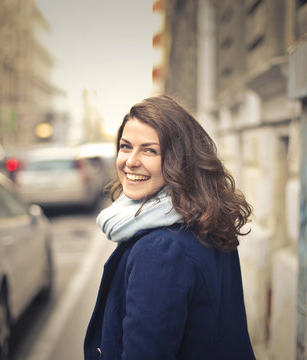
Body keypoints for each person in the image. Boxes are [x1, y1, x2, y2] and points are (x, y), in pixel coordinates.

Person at [84, 95, 256, 360]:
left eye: (149, 150)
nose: (130, 161)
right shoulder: (204, 218)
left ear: (179, 160)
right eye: (126, 146)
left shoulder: (161, 248)